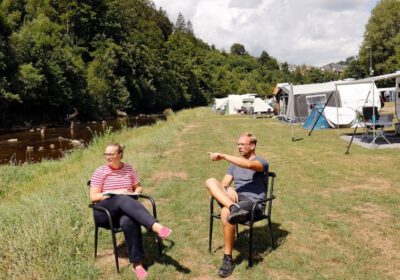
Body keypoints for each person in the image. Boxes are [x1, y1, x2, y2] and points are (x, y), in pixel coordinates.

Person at [90, 143, 172, 280]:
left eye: (111, 154)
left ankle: (137, 264)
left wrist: (134, 193)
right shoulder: (100, 171)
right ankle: (155, 226)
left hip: (125, 212)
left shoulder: (129, 169)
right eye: (106, 154)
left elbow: (138, 188)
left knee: (130, 221)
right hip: (104, 213)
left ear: (120, 154)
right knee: (121, 198)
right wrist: (113, 194)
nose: (107, 157)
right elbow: (93, 197)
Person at [205, 132, 269, 278]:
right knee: (210, 181)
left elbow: (249, 165)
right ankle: (234, 208)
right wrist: (229, 188)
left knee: (225, 213)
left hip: (253, 204)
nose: (239, 147)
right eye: (238, 144)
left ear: (252, 146)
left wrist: (224, 156)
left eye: (242, 144)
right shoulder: (234, 165)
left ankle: (227, 258)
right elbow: (223, 184)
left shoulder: (262, 162)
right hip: (235, 201)